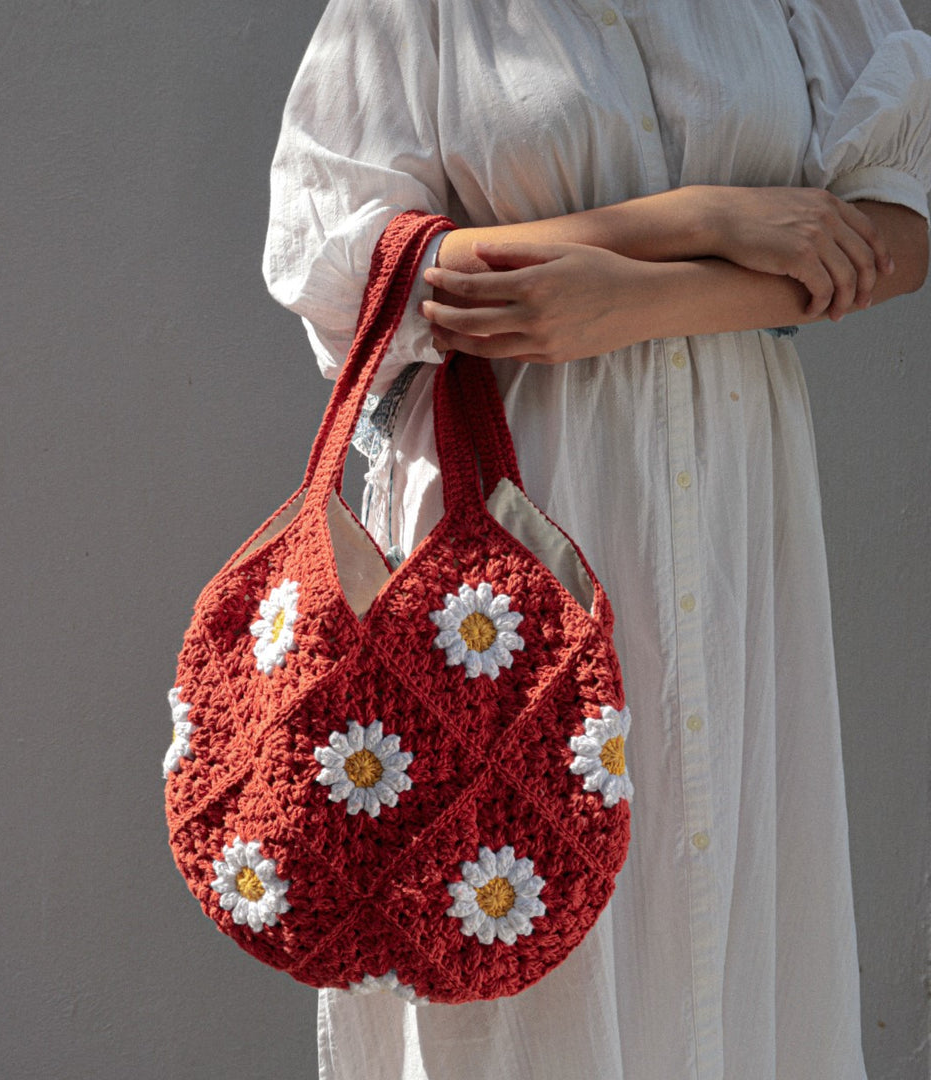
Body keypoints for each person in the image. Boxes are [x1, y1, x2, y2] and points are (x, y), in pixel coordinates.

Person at [262, 1, 931, 1077]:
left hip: (733, 498)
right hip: (514, 517)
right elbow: (341, 264)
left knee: (718, 890)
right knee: (511, 904)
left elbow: (897, 232)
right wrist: (698, 217)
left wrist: (641, 302)